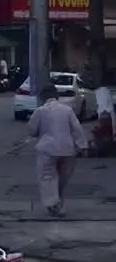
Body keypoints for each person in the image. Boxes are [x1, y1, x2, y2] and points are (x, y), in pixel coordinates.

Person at [27, 84, 87, 216]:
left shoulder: (40, 111)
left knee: (47, 177)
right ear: (56, 96)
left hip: (47, 150)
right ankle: (59, 203)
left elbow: (31, 130)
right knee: (62, 179)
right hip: (67, 150)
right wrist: (82, 146)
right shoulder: (67, 110)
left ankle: (53, 204)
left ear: (43, 97)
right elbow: (77, 129)